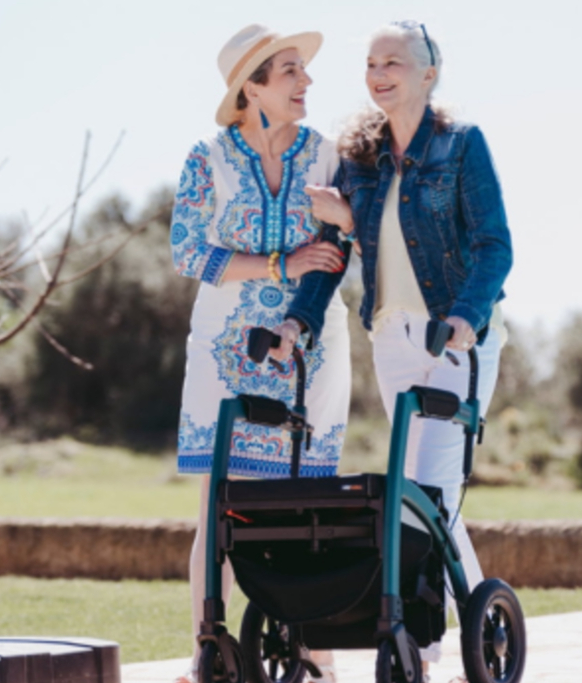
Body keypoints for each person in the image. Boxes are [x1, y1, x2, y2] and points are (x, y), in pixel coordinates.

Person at [285, 20, 513, 679]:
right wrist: (298, 324)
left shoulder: (462, 145)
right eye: (371, 62)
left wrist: (467, 317)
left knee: (431, 492)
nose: (379, 72)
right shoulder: (360, 157)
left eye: (394, 62)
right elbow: (334, 261)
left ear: (428, 74)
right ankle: (481, 616)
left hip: (454, 338)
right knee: (414, 495)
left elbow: (496, 243)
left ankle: (424, 635)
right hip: (391, 338)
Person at [170, 24, 349, 683]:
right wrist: (282, 261)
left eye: (304, 71)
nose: (306, 83)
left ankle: (317, 655)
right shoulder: (206, 157)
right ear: (253, 87)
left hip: (310, 353)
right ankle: (207, 653)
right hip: (224, 353)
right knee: (220, 506)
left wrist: (299, 285)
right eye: (290, 72)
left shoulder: (328, 156)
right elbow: (189, 252)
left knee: (311, 503)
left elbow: (337, 251)